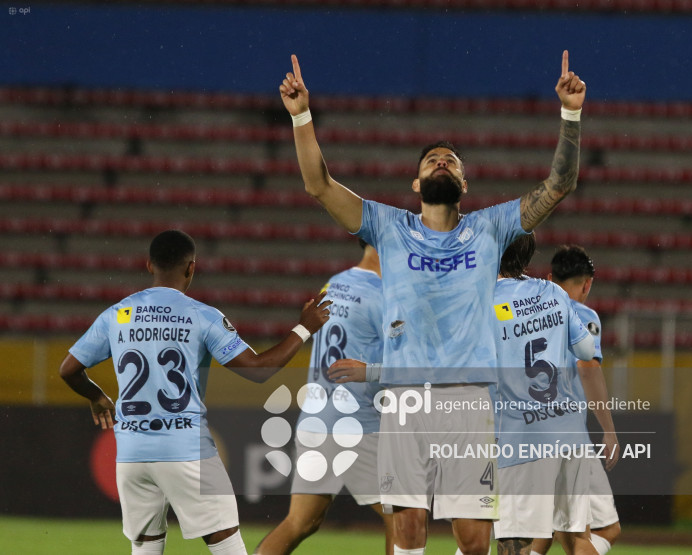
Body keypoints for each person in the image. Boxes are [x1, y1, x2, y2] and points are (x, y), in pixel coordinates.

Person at [279, 50, 585, 555]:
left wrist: (570, 114)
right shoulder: (389, 226)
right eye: (431, 160)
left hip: (468, 398)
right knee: (408, 528)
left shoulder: (489, 227)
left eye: (452, 161)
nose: (441, 160)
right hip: (405, 398)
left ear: (463, 186)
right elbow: (318, 184)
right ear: (417, 185)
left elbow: (560, 185)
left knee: (472, 538)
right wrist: (301, 117)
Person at [59, 230, 332, 555]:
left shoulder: (118, 315)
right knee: (227, 547)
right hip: (186, 450)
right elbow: (259, 370)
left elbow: (68, 370)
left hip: (132, 453)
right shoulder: (202, 316)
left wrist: (96, 396)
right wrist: (304, 328)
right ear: (191, 268)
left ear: (149, 265)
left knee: (145, 548)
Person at [254, 240, 393, 554]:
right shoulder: (385, 296)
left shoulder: (335, 284)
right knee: (403, 516)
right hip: (358, 425)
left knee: (300, 522)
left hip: (316, 420)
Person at [491, 234, 598, 555]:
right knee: (578, 537)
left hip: (522, 435)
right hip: (567, 432)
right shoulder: (553, 292)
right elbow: (586, 348)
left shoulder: (485, 300)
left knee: (514, 542)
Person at [538, 244, 621, 555]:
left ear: (549, 278)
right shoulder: (584, 315)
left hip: (527, 430)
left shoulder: (526, 313)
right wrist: (609, 429)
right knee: (584, 533)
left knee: (542, 531)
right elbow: (588, 369)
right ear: (588, 283)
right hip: (568, 435)